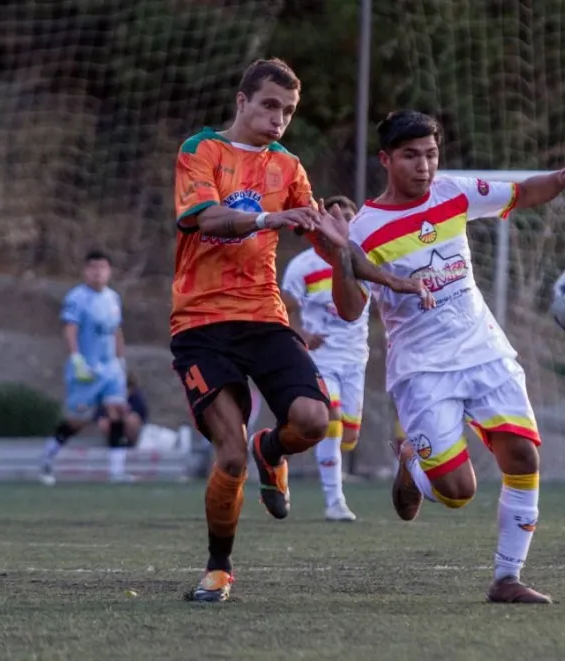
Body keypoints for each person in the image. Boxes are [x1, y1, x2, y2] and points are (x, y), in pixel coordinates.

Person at [171, 58, 429, 602]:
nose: (278, 119)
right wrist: (269, 219)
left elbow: (330, 240)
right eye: (269, 105)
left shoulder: (288, 168)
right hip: (201, 321)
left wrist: (386, 277)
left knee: (314, 420)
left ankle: (275, 449)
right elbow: (206, 219)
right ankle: (218, 568)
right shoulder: (201, 151)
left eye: (288, 111)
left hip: (263, 315)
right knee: (229, 453)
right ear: (242, 102)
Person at [347, 110, 565, 604]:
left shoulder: (454, 192)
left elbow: (521, 194)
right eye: (410, 155)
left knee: (524, 456)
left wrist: (562, 180)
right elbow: (349, 306)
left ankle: (507, 578)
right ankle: (411, 461)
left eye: (430, 154)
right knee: (457, 492)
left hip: (484, 351)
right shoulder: (364, 229)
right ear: (385, 159)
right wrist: (341, 259)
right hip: (422, 371)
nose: (423, 166)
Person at [281, 195, 369, 522]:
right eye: (334, 214)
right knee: (330, 421)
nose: (342, 219)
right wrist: (302, 336)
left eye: (348, 215)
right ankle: (335, 501)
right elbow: (282, 309)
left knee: (349, 436)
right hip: (320, 359)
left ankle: (285, 449)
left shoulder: (364, 259)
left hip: (356, 360)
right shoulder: (304, 266)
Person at [40, 250, 130, 486]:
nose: (97, 272)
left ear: (109, 271)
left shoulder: (113, 298)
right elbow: (71, 328)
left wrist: (121, 360)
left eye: (102, 268)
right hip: (87, 369)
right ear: (85, 271)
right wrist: (76, 358)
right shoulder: (77, 298)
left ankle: (117, 471)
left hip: (110, 367)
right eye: (93, 268)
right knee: (78, 420)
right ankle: (49, 454)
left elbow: (116, 331)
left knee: (117, 410)